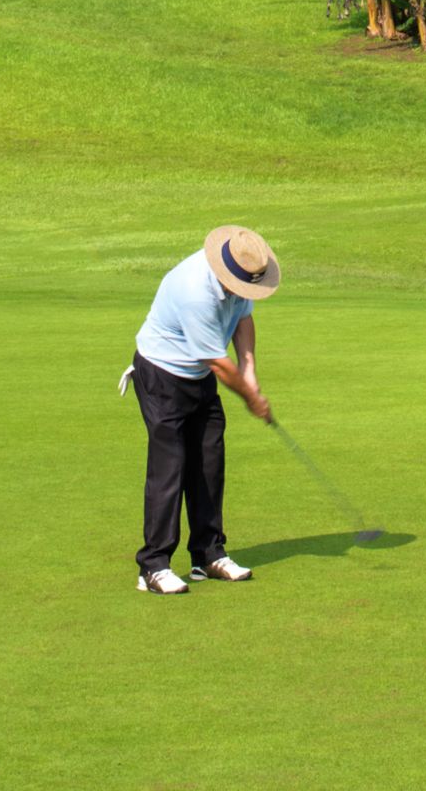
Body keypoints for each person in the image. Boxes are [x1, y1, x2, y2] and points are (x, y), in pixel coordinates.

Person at [126, 223, 279, 594]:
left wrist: (251, 369)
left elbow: (244, 318)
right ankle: (153, 566)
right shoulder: (195, 291)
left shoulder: (240, 271)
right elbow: (217, 362)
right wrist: (251, 397)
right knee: (170, 467)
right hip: (162, 376)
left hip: (197, 377)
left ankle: (208, 555)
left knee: (209, 461)